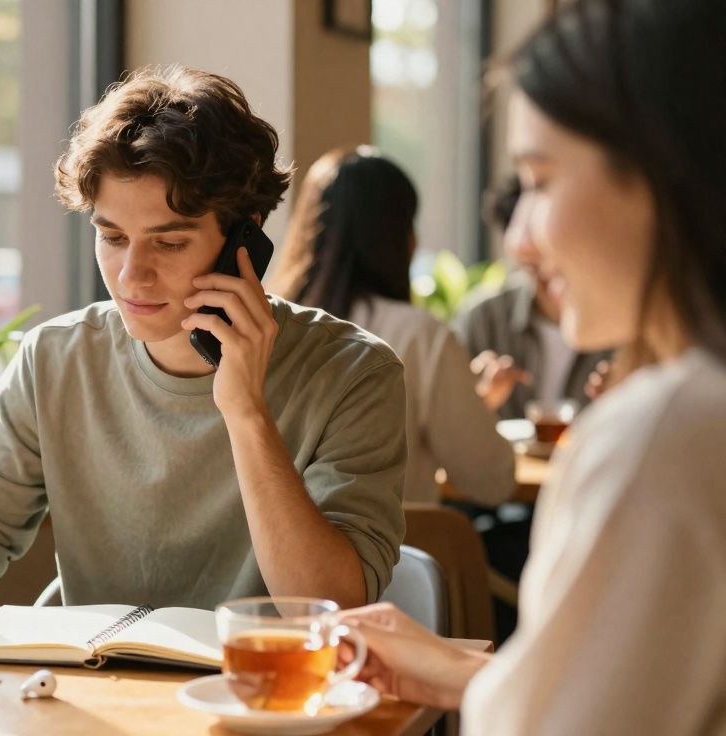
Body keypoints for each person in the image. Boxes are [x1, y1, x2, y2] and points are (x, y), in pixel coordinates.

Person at [0, 66, 408, 624]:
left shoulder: (355, 373)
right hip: (95, 693)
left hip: (267, 691)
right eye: (112, 237)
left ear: (247, 236)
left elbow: (331, 607)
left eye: (169, 242)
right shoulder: (56, 359)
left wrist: (245, 411)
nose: (131, 276)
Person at [342, 1, 726, 732]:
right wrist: (478, 676)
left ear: (660, 172)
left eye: (539, 182)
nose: (517, 240)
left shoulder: (665, 433)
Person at [267, 147, 515, 506]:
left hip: (269, 557)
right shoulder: (421, 336)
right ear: (401, 237)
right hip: (398, 559)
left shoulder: (264, 328)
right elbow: (491, 481)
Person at [455, 175, 611, 419]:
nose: (550, 274)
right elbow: (446, 430)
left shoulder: (622, 324)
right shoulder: (484, 319)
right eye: (534, 266)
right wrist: (478, 401)